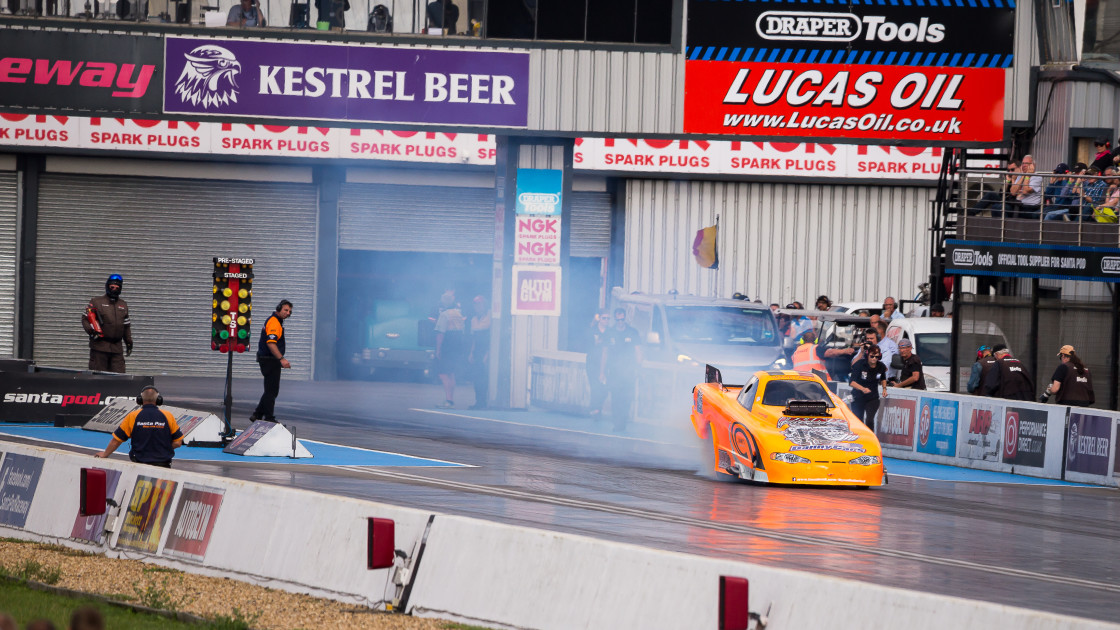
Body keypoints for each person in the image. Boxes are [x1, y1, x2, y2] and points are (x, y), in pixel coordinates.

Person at [95, 386, 182, 467]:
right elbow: (178, 442)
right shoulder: (168, 415)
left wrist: (105, 454)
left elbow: (116, 441)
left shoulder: (133, 416)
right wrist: (162, 449)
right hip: (163, 463)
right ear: (158, 400)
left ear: (139, 400)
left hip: (139, 463)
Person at [251, 300, 292, 423]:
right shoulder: (274, 322)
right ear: (278, 308)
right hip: (270, 360)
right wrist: (281, 359)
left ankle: (257, 414)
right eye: (285, 310)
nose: (288, 313)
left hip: (268, 359)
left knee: (270, 389)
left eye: (289, 311)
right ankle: (269, 418)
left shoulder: (275, 321)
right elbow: (271, 343)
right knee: (272, 391)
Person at [83, 274, 133, 373]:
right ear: (107, 286)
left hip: (117, 350)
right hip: (99, 348)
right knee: (98, 380)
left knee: (119, 379)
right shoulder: (96, 302)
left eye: (117, 288)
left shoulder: (123, 305)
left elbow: (126, 326)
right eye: (112, 287)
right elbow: (85, 319)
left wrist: (129, 342)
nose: (114, 289)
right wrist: (91, 332)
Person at [605, 307, 641, 430]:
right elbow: (605, 352)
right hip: (614, 372)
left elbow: (638, 352)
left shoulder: (632, 332)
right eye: (618, 320)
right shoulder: (610, 333)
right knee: (615, 398)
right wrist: (602, 371)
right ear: (615, 320)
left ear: (625, 319)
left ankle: (622, 422)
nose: (620, 322)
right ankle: (616, 423)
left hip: (629, 372)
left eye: (622, 320)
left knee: (627, 398)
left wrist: (638, 368)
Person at [434, 291, 466, 408]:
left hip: (447, 346)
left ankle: (448, 400)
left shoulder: (444, 314)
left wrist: (438, 349)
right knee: (451, 373)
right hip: (457, 346)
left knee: (443, 373)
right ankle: (451, 399)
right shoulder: (458, 314)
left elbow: (440, 334)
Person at [848, 345, 887, 430]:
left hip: (872, 397)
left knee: (869, 420)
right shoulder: (859, 364)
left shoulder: (881, 366)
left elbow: (883, 378)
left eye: (876, 357)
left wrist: (884, 388)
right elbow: (851, 382)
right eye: (872, 356)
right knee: (858, 420)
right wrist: (862, 388)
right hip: (858, 397)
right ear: (867, 355)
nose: (874, 359)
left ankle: (871, 439)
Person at [585, 309, 611, 416]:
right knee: (595, 386)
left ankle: (597, 407)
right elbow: (585, 344)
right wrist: (595, 343)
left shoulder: (610, 332)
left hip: (607, 364)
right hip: (593, 362)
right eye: (604, 318)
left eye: (608, 318)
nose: (606, 320)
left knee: (605, 388)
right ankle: (594, 408)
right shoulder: (592, 330)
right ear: (599, 318)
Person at [467, 295, 491, 410]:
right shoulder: (473, 320)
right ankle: (478, 402)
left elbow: (491, 338)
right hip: (477, 351)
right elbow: (474, 339)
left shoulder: (490, 316)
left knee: (484, 378)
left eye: (480, 304)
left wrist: (487, 354)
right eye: (475, 304)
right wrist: (471, 353)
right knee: (476, 378)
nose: (477, 307)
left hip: (486, 350)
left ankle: (483, 402)